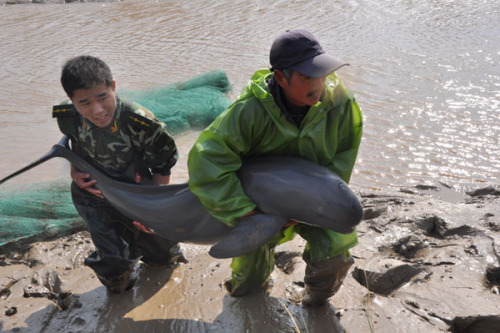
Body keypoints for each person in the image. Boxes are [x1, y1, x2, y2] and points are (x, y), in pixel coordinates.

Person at [187, 29, 363, 306]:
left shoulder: (340, 105)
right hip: (257, 202)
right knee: (250, 275)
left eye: (322, 73)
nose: (318, 84)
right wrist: (243, 211)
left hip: (312, 199)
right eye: (306, 76)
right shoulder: (248, 112)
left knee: (336, 254)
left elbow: (341, 160)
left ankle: (315, 300)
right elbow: (207, 161)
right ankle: (244, 296)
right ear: (281, 77)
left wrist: (312, 206)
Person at [52, 55, 185, 293]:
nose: (97, 110)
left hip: (138, 191)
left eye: (103, 97)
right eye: (84, 103)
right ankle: (115, 271)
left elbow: (162, 168)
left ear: (113, 86)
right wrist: (75, 171)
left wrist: (150, 211)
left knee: (164, 257)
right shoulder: (67, 115)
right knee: (115, 264)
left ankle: (150, 246)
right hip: (94, 192)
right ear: (72, 101)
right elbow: (73, 141)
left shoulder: (141, 123)